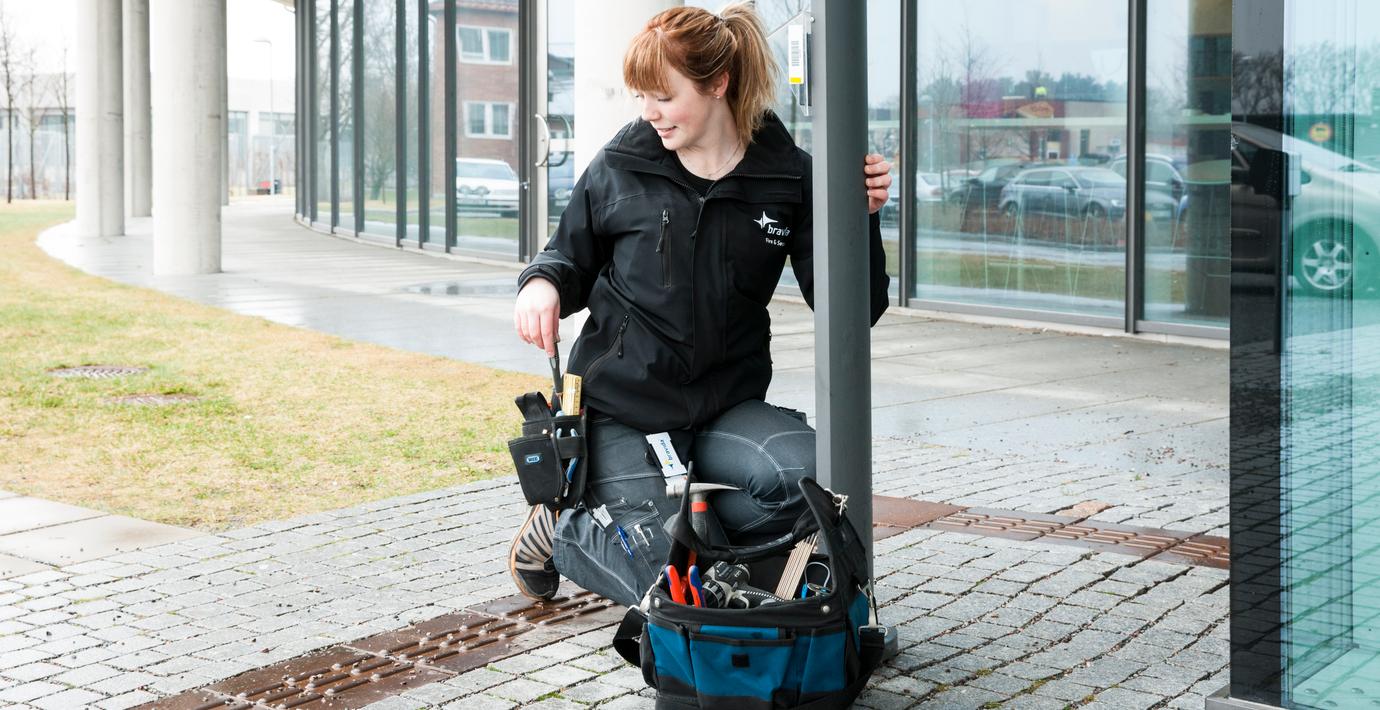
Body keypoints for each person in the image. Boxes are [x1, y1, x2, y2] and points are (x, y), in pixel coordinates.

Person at [508, 3, 892, 607]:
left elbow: (851, 309)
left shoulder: (789, 178)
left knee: (814, 481)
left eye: (663, 96)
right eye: (642, 96)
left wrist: (860, 219)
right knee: (670, 580)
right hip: (626, 409)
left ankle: (691, 533)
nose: (648, 111)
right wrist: (542, 283)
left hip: (724, 408)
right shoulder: (622, 165)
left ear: (718, 84)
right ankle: (564, 530)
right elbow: (567, 256)